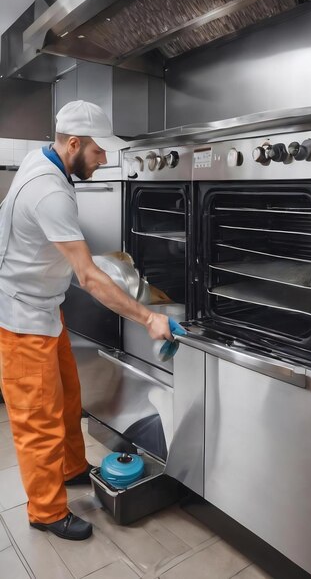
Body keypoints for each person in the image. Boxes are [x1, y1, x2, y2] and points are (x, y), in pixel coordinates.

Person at [0, 100, 172, 541]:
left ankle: (73, 467)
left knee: (68, 395)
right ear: (73, 143)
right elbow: (90, 279)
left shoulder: (45, 158)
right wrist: (148, 318)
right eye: (98, 151)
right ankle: (46, 512)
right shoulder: (50, 189)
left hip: (44, 305)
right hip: (21, 316)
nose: (104, 159)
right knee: (37, 417)